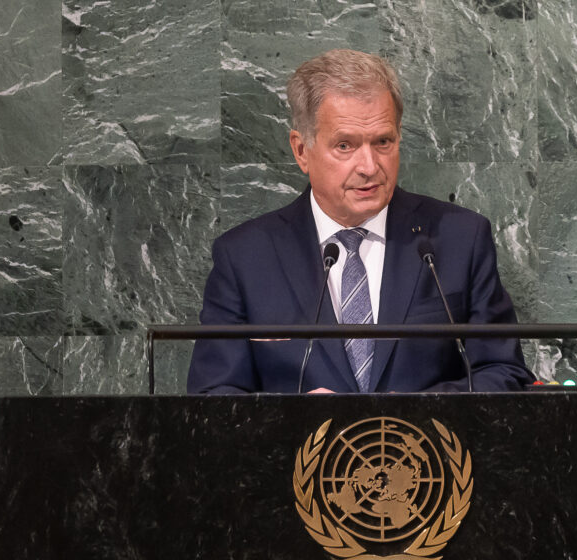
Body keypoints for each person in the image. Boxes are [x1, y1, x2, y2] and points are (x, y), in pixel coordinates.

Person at [187, 49, 532, 393]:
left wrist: (408, 417)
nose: (369, 166)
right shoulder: (244, 258)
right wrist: (290, 421)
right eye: (344, 146)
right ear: (301, 151)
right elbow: (214, 395)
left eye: (383, 142)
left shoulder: (460, 239)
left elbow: (503, 371)